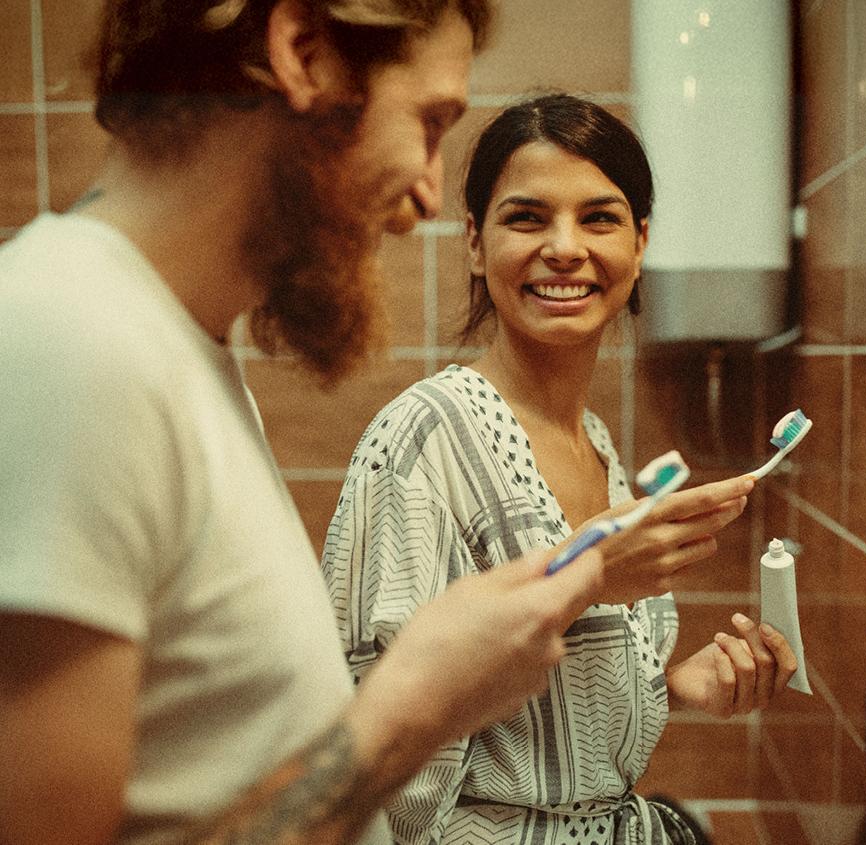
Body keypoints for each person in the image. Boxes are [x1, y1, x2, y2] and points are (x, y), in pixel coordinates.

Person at [0, 5, 610, 844]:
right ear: (302, 53)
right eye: (429, 122)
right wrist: (410, 712)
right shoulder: (61, 339)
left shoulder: (174, 353)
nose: (427, 198)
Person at [321, 93, 800, 845]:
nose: (566, 248)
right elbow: (378, 761)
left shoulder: (600, 448)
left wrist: (676, 687)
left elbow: (537, 725)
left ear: (640, 244)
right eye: (528, 218)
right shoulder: (424, 439)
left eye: (600, 218)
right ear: (475, 243)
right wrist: (586, 575)